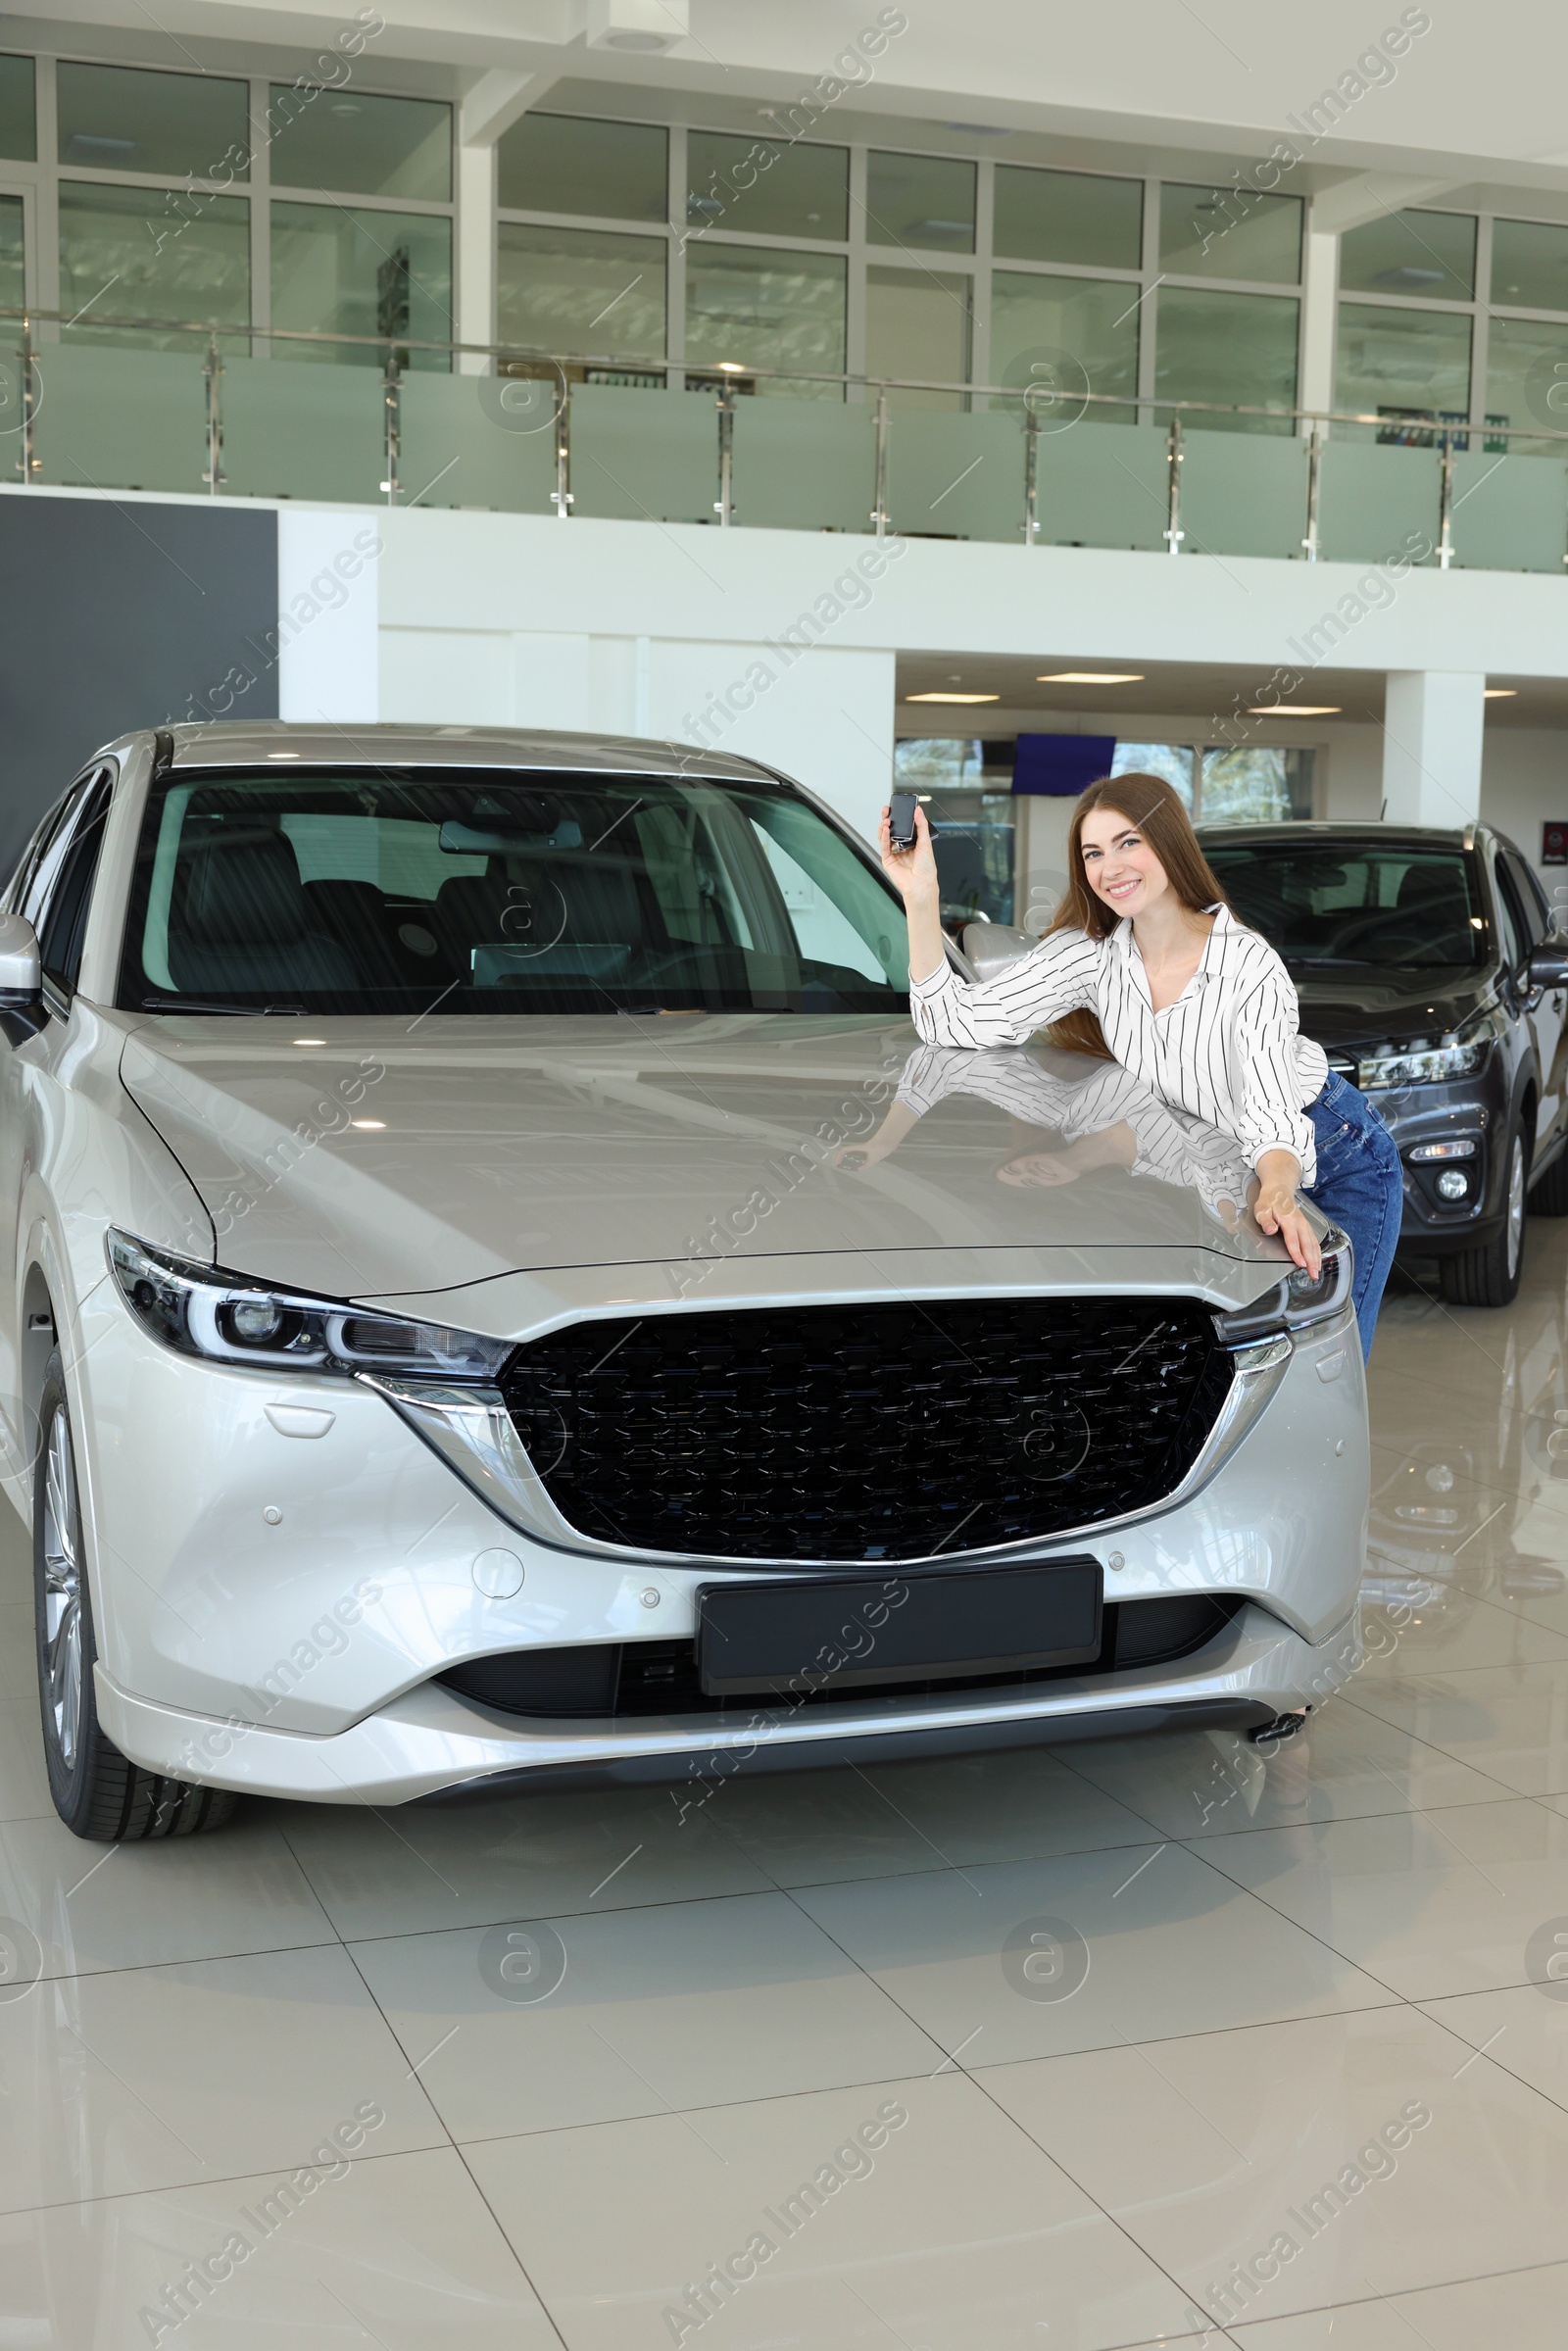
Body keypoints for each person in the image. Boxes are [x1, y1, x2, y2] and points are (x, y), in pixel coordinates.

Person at [878, 769, 1403, 1358]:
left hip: (1332, 1152)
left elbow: (1268, 1114)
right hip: (1216, 1160)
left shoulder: (1246, 963)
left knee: (1331, 1364)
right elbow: (956, 1022)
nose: (1111, 867)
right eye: (1094, 852)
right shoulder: (1092, 954)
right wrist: (919, 896)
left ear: (1169, 843)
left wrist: (1279, 1189)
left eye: (1129, 842)